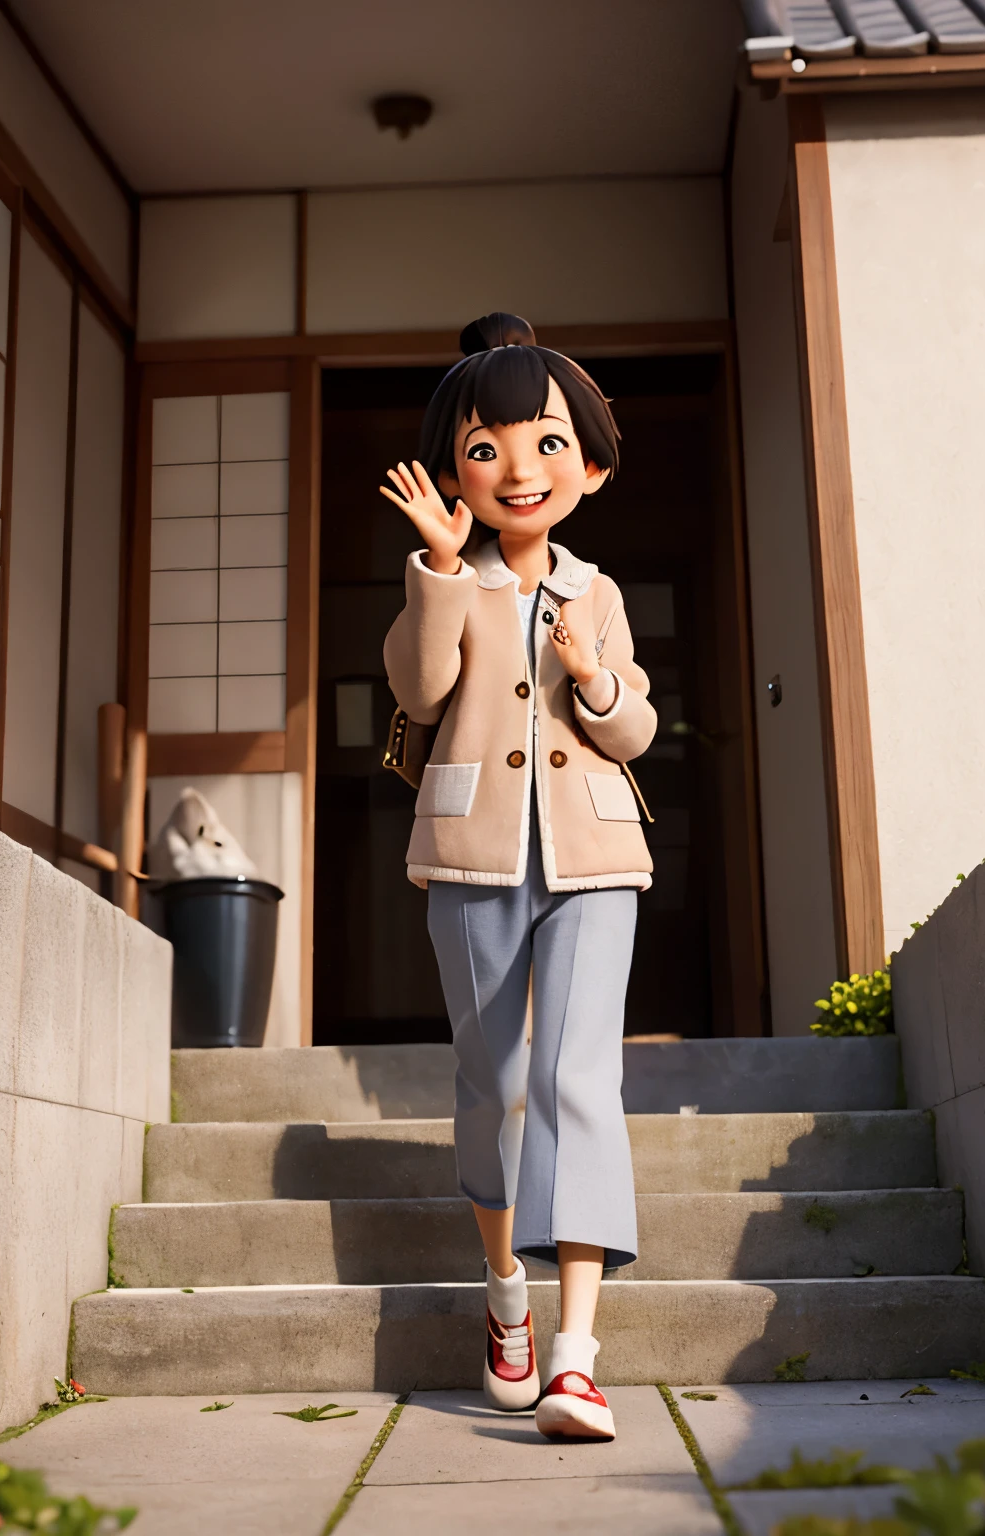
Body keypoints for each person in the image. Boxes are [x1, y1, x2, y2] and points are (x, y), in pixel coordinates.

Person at [382, 312, 656, 1441]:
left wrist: (595, 681)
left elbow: (636, 729)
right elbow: (416, 686)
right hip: (472, 856)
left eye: (546, 444)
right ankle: (507, 1298)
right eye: (485, 447)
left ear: (589, 465)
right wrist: (440, 572)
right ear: (455, 470)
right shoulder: (443, 576)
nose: (517, 469)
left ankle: (578, 1358)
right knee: (494, 1085)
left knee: (577, 1080)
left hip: (593, 857)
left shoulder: (597, 590)